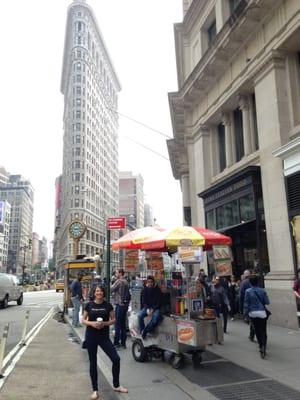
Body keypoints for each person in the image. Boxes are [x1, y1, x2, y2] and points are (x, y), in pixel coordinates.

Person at [82, 285, 128, 400]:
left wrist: (104, 324)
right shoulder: (89, 305)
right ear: (94, 293)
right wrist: (92, 323)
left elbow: (114, 320)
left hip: (104, 337)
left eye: (101, 291)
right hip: (91, 336)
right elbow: (83, 320)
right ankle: (95, 390)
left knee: (116, 359)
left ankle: (116, 385)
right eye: (97, 291)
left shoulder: (108, 305)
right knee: (93, 363)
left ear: (103, 293)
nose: (99, 293)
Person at [244, 275, 270, 359]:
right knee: (263, 330)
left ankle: (260, 345)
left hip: (253, 313)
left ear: (250, 283)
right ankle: (264, 347)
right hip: (262, 312)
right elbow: (267, 302)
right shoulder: (262, 291)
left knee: (257, 330)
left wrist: (246, 314)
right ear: (258, 282)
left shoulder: (247, 291)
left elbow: (246, 304)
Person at [111, 268, 131, 349]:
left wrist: (112, 282)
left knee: (117, 324)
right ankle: (123, 343)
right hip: (125, 305)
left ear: (120, 273)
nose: (116, 274)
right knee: (123, 324)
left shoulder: (119, 281)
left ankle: (116, 343)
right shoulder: (126, 281)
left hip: (120, 304)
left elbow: (111, 288)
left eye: (116, 273)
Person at [138, 275, 162, 339]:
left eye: (151, 282)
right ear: (147, 282)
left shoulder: (157, 290)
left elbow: (159, 303)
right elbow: (144, 302)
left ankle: (145, 331)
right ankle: (142, 330)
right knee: (139, 316)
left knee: (155, 319)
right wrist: (148, 309)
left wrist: (153, 309)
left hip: (156, 308)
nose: (150, 283)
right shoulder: (144, 290)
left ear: (153, 282)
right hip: (147, 307)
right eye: (148, 282)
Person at [239, 269, 255, 341]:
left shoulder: (243, 283)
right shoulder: (254, 281)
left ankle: (252, 335)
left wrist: (241, 308)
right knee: (254, 321)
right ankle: (252, 335)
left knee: (252, 321)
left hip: (249, 305)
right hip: (258, 306)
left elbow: (241, 296)